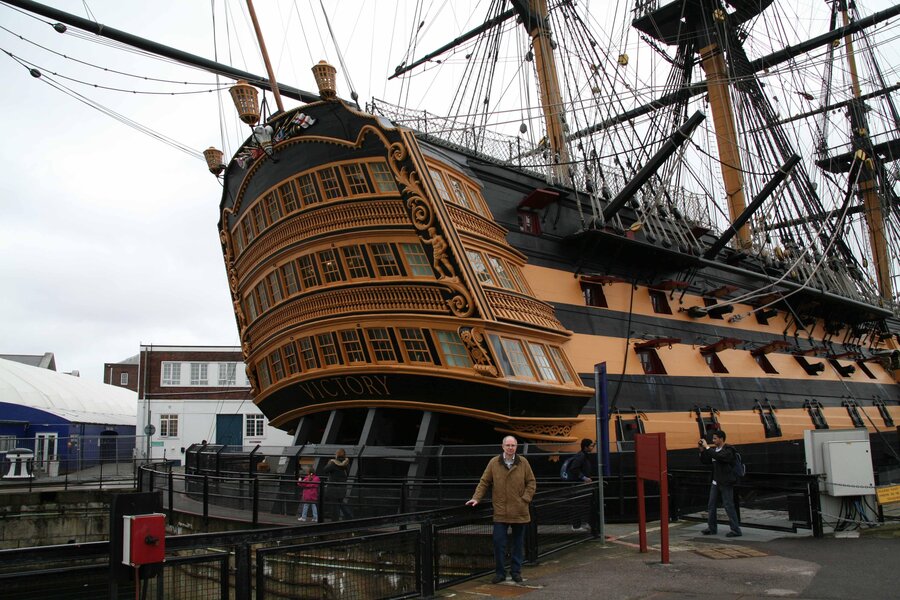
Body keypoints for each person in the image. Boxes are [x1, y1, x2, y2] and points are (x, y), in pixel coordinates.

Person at [466, 435, 536, 585]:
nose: (511, 448)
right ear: (503, 446)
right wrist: (476, 498)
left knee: (518, 544)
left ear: (516, 447)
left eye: (513, 445)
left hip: (519, 510)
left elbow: (531, 482)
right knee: (499, 543)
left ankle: (516, 572)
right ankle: (500, 573)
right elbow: (484, 482)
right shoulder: (494, 463)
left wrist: (525, 499)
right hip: (500, 511)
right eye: (508, 445)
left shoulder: (523, 462)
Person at [699, 430, 742, 537]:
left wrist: (707, 448)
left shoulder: (728, 450)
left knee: (728, 505)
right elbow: (706, 461)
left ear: (721, 439)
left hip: (726, 482)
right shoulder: (714, 451)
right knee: (711, 505)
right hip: (716, 481)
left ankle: (736, 530)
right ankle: (712, 528)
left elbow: (721, 457)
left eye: (715, 438)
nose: (713, 440)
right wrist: (702, 450)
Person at [566, 438, 594, 531]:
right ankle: (576, 526)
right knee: (578, 504)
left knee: (581, 504)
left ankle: (580, 524)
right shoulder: (581, 456)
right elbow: (574, 468)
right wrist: (584, 477)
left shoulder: (583, 455)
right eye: (591, 445)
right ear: (586, 447)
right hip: (579, 484)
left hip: (580, 484)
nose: (592, 447)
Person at [322, 448, 353, 521]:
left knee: (335, 506)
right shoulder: (347, 464)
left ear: (337, 454)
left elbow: (325, 470)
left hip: (333, 488)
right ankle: (349, 516)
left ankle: (335, 521)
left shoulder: (333, 463)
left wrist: (329, 463)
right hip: (342, 488)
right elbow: (347, 474)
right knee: (340, 503)